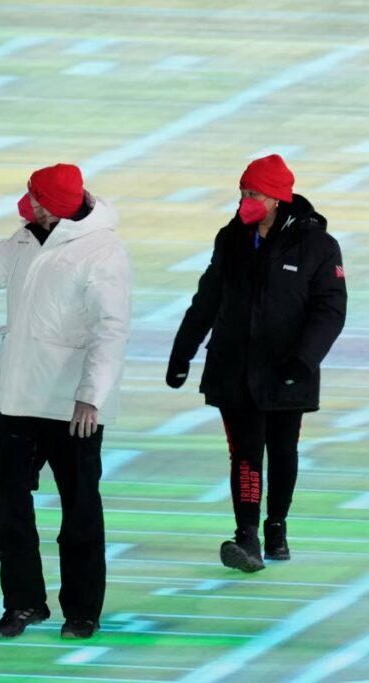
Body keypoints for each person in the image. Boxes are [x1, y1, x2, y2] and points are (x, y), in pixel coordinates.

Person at [0, 163, 132, 640]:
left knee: (79, 508)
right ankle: (23, 603)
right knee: (9, 503)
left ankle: (82, 610)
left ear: (55, 205)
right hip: (20, 399)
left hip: (73, 407)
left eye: (35, 197)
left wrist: (91, 396)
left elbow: (111, 329)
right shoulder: (26, 238)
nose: (28, 202)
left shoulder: (103, 252)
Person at [166, 154, 346, 573]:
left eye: (254, 194)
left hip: (287, 370)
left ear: (277, 199)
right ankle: (246, 535)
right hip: (234, 369)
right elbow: (208, 297)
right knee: (245, 452)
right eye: (243, 192)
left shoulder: (318, 245)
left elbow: (330, 309)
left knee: (282, 450)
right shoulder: (231, 238)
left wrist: (304, 360)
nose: (245, 201)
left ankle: (276, 527)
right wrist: (183, 351)